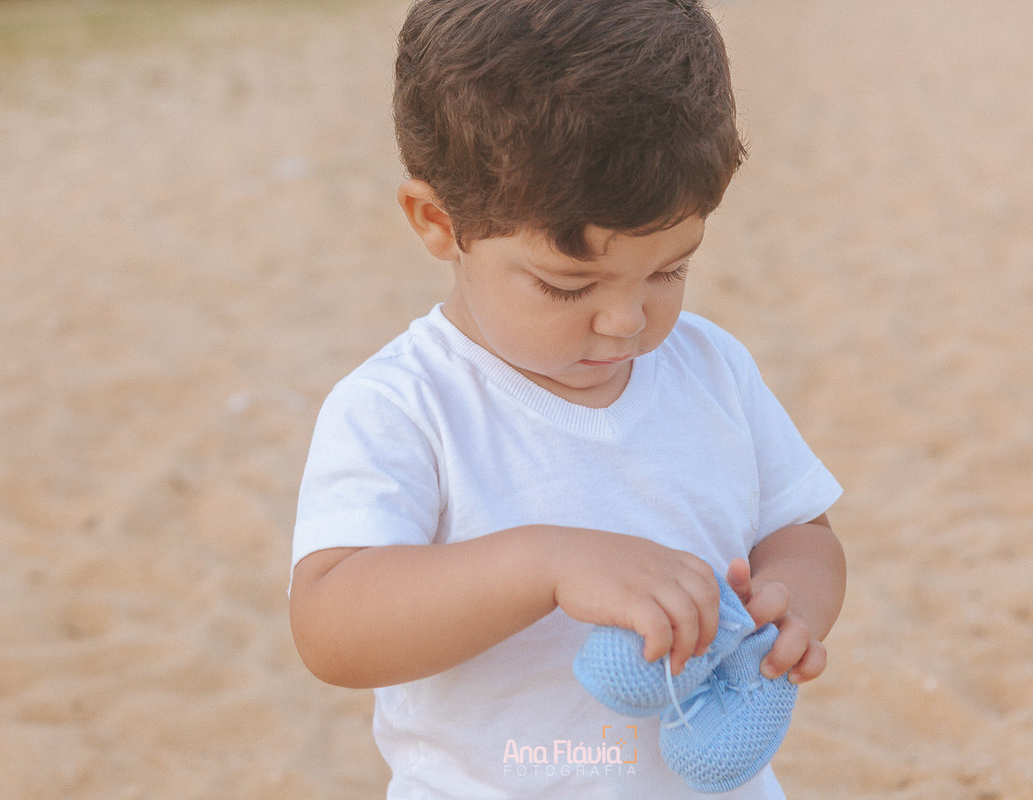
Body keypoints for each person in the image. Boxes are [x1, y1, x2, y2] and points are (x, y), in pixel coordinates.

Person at [288, 1, 846, 797]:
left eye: (669, 271)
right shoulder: (404, 406)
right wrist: (547, 562)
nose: (626, 320)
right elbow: (332, 628)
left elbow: (802, 528)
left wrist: (793, 605)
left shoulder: (709, 367)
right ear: (438, 222)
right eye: (567, 284)